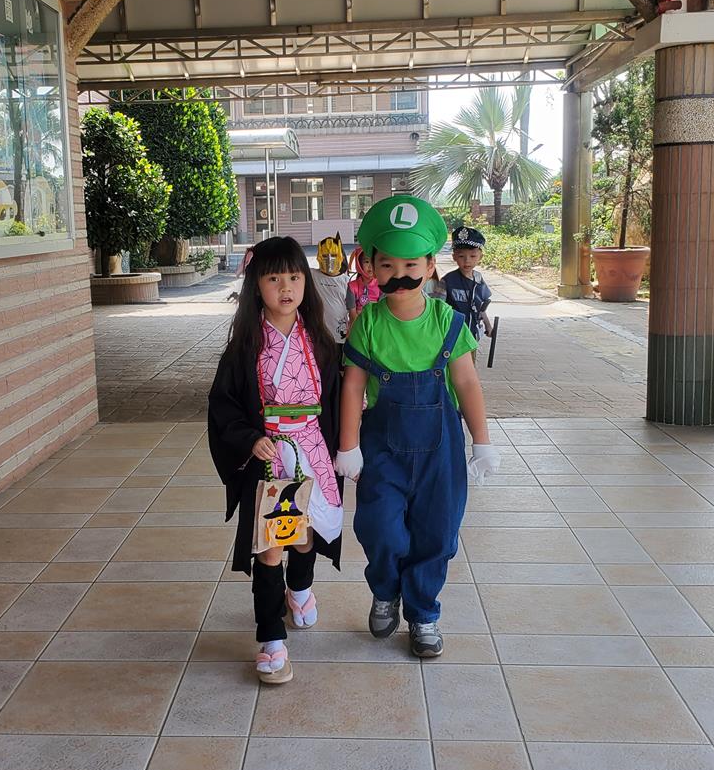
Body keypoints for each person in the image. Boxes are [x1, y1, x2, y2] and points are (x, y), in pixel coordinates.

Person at [334, 196, 501, 658]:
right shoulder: (367, 324)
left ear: (430, 267)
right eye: (388, 264)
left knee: (437, 533)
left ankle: (424, 612)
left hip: (440, 453)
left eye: (411, 264)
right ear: (371, 268)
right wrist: (348, 446)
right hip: (382, 451)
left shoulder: (448, 322)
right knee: (380, 527)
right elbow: (353, 385)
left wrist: (482, 442)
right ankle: (386, 590)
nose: (400, 274)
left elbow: (466, 382)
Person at [208, 236, 343, 684]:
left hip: (312, 449)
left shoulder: (320, 342)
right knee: (271, 546)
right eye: (273, 278)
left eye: (294, 277)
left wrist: (348, 444)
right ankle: (270, 637)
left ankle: (299, 589)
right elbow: (224, 405)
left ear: (306, 282)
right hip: (271, 454)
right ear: (256, 286)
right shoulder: (244, 348)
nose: (286, 287)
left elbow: (337, 398)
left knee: (304, 537)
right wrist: (249, 439)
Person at [441, 226, 493, 361]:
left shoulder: (479, 279)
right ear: (454, 257)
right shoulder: (447, 281)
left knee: (470, 365)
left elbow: (481, 307)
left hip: (471, 336)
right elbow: (438, 308)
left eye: (473, 256)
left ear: (480, 257)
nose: (467, 260)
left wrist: (488, 325)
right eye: (461, 256)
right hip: (452, 336)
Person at [309, 233, 351, 360]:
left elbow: (352, 310)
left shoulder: (347, 282)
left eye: (333, 255)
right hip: (319, 336)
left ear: (339, 256)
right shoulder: (312, 275)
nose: (329, 260)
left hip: (340, 336)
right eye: (325, 256)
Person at [345, 244, 380, 333]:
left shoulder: (381, 284)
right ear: (359, 264)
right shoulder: (352, 286)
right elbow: (352, 315)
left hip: (377, 327)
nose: (370, 266)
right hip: (358, 329)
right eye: (366, 262)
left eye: (373, 261)